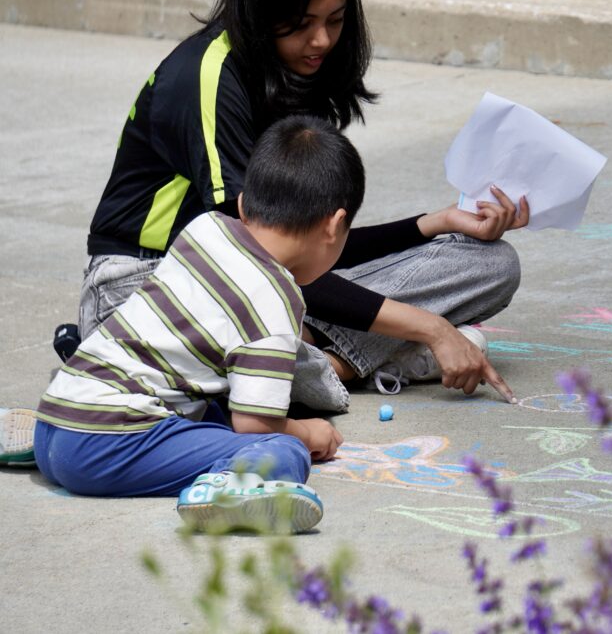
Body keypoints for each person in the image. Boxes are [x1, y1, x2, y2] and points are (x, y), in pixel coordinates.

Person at [68, 0, 526, 409]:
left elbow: (308, 247)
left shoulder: (294, 73)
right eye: (301, 23)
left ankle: (328, 357)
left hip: (259, 282)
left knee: (491, 264)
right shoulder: (206, 77)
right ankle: (348, 365)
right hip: (147, 285)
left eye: (336, 19)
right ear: (258, 8)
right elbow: (255, 254)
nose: (321, 40)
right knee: (284, 373)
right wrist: (432, 327)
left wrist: (435, 223)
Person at [34, 115, 365, 534]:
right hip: (102, 447)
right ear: (335, 225)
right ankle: (224, 488)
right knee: (282, 451)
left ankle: (28, 438)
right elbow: (255, 425)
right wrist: (306, 432)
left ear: (244, 203)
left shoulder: (205, 229)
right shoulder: (276, 300)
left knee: (209, 411)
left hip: (57, 423)